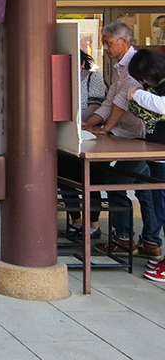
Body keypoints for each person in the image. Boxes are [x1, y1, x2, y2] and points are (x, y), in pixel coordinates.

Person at [84, 21, 163, 260]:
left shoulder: (136, 64)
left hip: (143, 137)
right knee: (136, 185)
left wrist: (106, 128)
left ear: (124, 42)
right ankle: (139, 240)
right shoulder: (120, 66)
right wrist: (92, 125)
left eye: (108, 43)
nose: (105, 48)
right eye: (104, 43)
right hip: (129, 136)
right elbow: (111, 101)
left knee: (135, 185)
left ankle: (141, 240)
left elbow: (123, 102)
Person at [126, 49, 165, 281]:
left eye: (143, 77)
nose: (143, 82)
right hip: (156, 156)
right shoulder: (156, 87)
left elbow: (162, 106)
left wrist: (136, 94)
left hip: (162, 158)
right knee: (160, 209)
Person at [59, 50, 106, 239]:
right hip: (66, 135)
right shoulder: (60, 78)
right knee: (65, 179)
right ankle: (76, 221)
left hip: (90, 135)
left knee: (92, 179)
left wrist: (76, 119)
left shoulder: (94, 77)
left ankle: (93, 225)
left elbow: (96, 105)